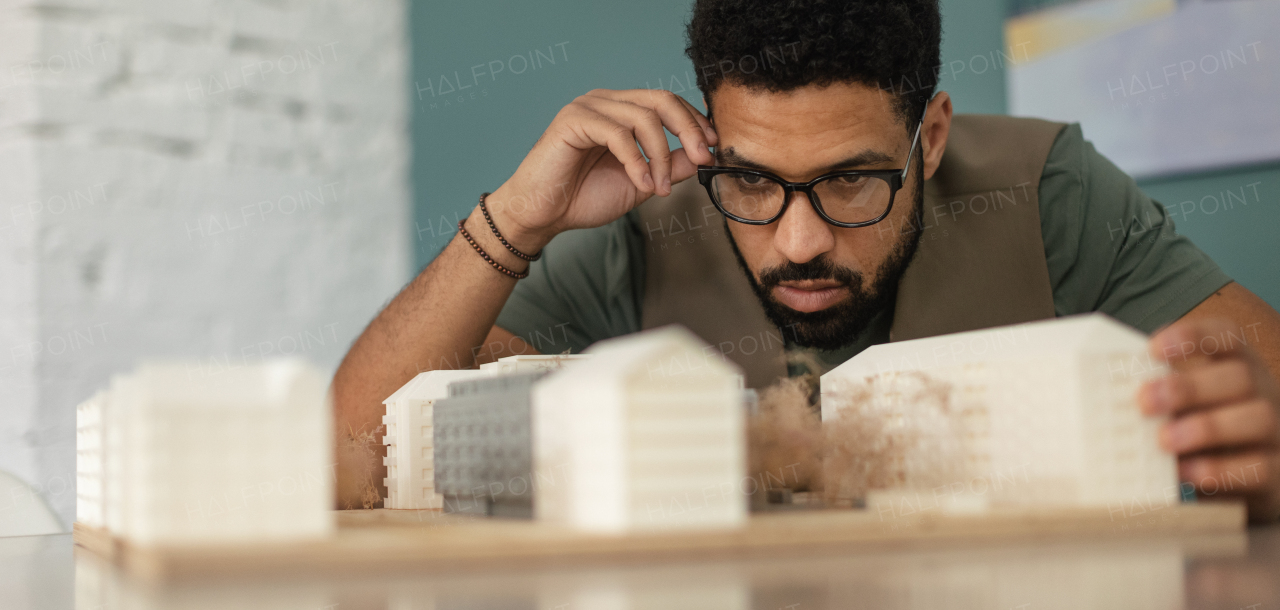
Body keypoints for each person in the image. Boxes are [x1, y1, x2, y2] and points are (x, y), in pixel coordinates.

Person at [333, 0, 1280, 521]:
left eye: (854, 180)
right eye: (751, 181)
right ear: (708, 139)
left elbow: (1264, 409)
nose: (799, 241)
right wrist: (515, 220)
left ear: (932, 137)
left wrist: (1256, 453)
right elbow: (352, 460)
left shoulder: (1046, 191)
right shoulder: (645, 222)